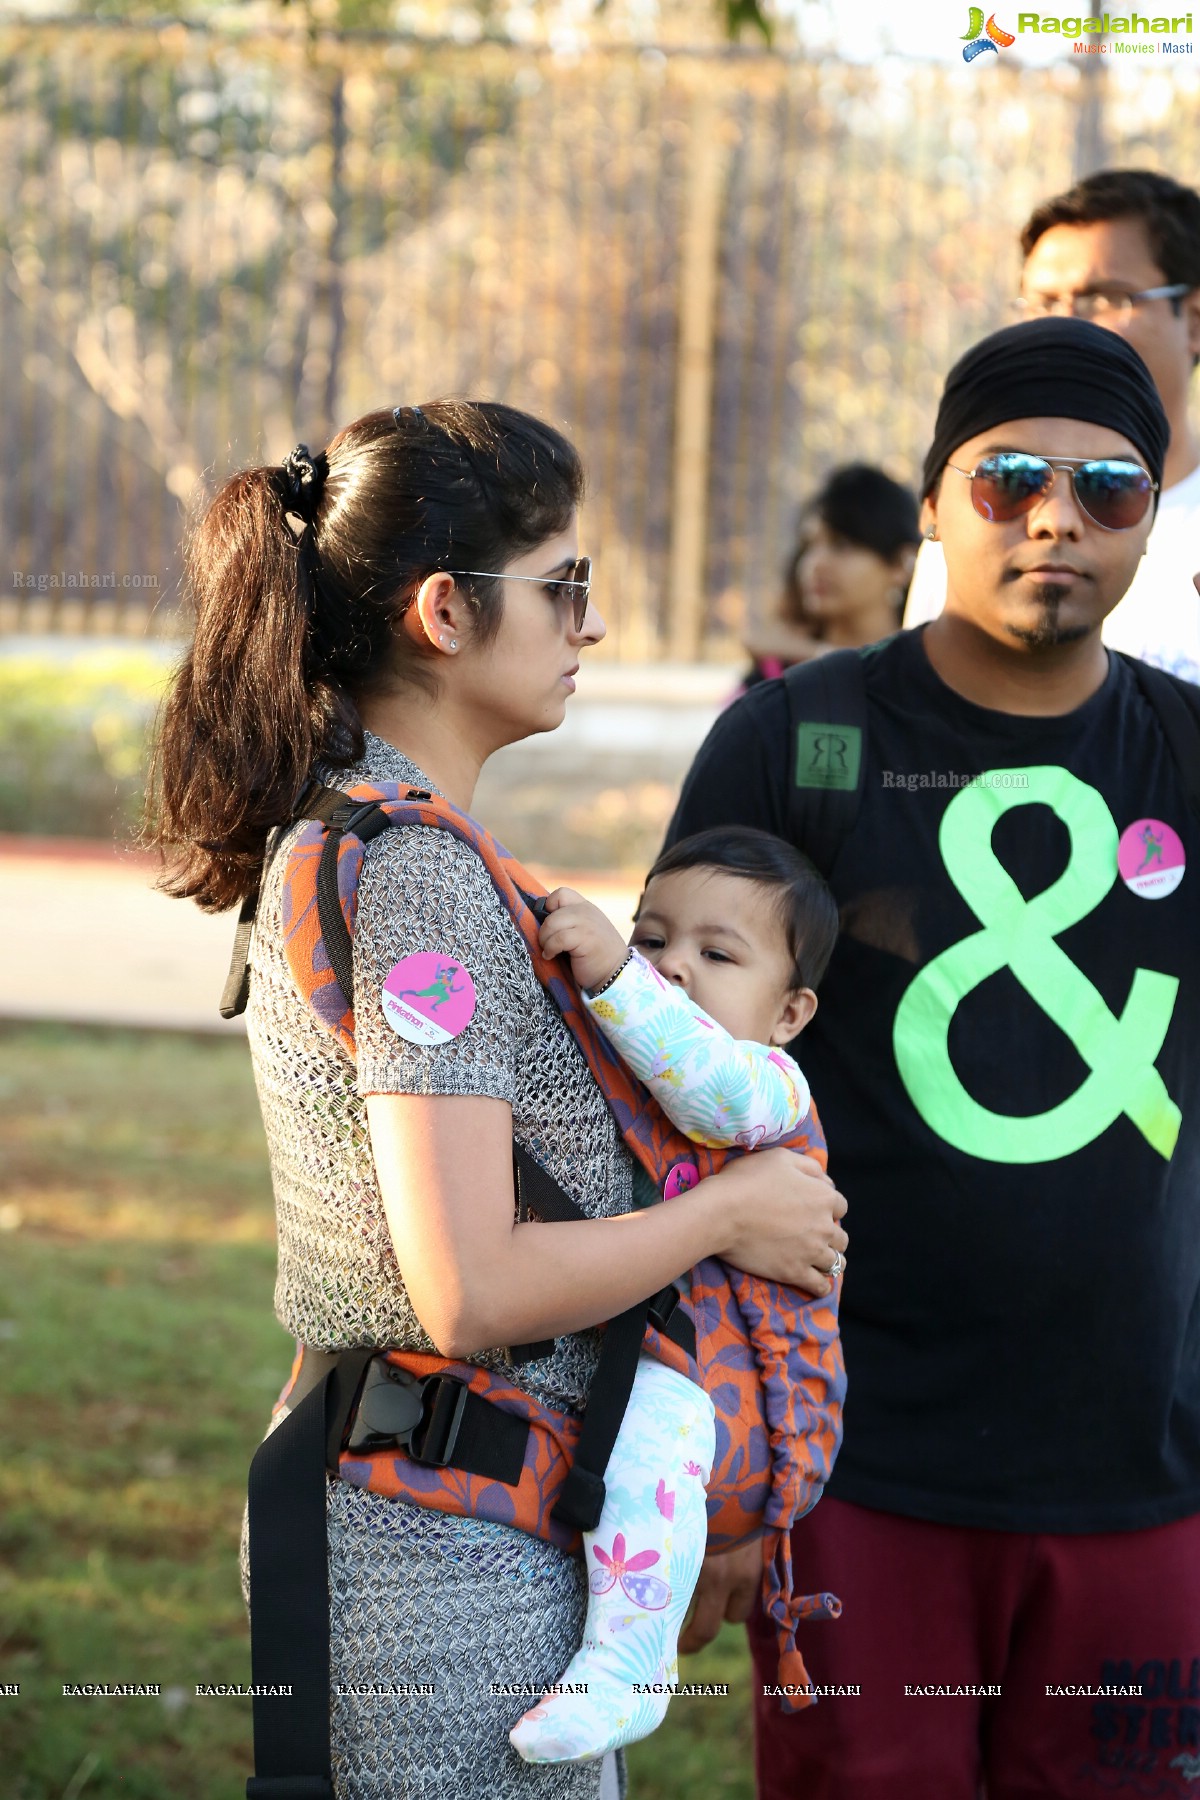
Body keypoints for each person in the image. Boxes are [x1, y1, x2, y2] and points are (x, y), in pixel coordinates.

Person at [146, 399, 849, 1800]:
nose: (588, 623)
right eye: (565, 585)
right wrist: (728, 1216)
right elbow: (465, 1288)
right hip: (438, 1553)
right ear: (446, 616)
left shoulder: (392, 836)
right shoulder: (413, 874)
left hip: (455, 1513)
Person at [666, 319, 1200, 1799]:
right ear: (931, 500)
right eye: (1012, 476)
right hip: (854, 1462)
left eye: (1112, 490)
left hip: (1143, 1467)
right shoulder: (793, 738)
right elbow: (671, 1100)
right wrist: (712, 1459)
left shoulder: (1189, 752)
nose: (1057, 518)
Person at [510, 824, 839, 1764]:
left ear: (788, 1014)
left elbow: (703, 1090)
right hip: (659, 1364)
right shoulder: (627, 1071)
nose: (673, 966)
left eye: (716, 952)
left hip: (749, 1408)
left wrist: (617, 973)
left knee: (656, 1426)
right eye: (652, 936)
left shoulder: (769, 1085)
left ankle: (629, 1667)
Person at [904, 168, 1200, 684]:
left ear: (1194, 321)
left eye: (1105, 298)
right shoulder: (984, 509)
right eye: (1041, 304)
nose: (1064, 323)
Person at [741, 464, 919, 688]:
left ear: (901, 564)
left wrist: (817, 654)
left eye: (841, 545)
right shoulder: (775, 674)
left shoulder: (929, 675)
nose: (815, 563)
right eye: (809, 545)